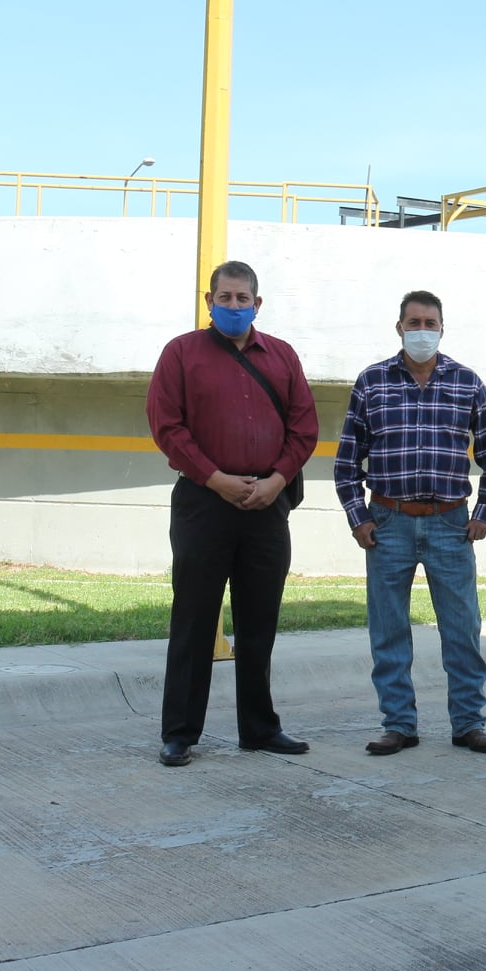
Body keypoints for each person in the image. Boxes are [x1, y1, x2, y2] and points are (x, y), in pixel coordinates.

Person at [146, 260, 318, 767]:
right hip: (204, 500)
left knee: (260, 619)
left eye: (244, 299)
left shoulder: (282, 357)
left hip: (267, 501)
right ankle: (179, 732)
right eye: (226, 298)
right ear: (209, 301)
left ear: (257, 304)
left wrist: (277, 481)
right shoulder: (180, 353)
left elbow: (303, 427)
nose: (235, 307)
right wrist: (215, 478)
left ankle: (259, 729)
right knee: (195, 618)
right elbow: (167, 426)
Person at [334, 290, 486, 758]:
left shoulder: (467, 382)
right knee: (389, 630)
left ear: (442, 328)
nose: (421, 331)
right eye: (413, 323)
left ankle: (470, 723)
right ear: (399, 328)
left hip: (450, 524)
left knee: (462, 629)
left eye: (430, 323)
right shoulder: (371, 382)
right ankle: (398, 724)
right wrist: (358, 518)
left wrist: (483, 516)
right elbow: (346, 461)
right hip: (388, 521)